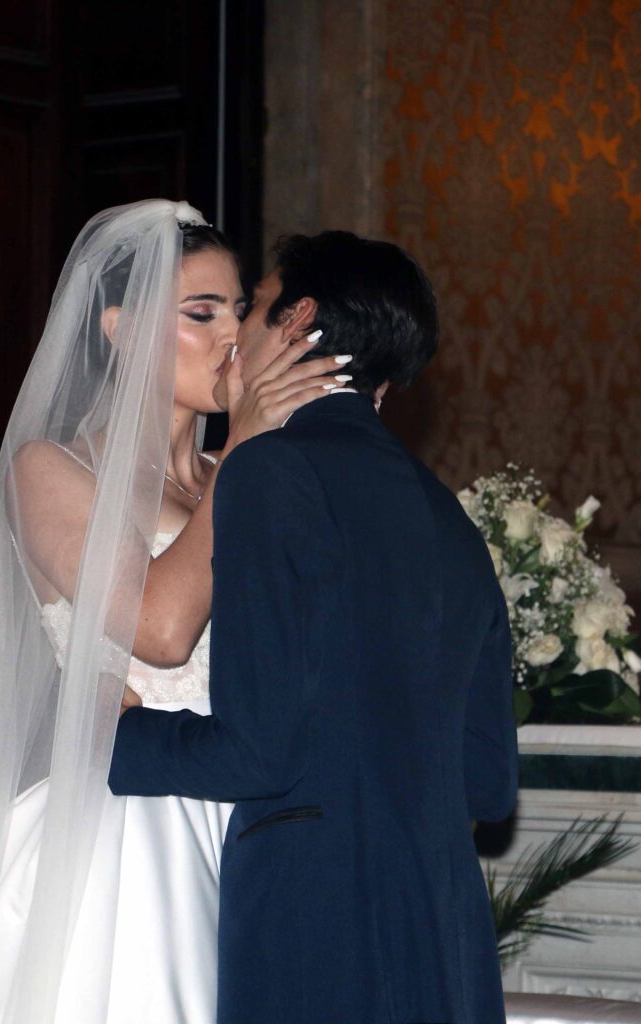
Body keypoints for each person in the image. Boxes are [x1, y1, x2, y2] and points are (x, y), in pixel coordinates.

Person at [0, 201, 351, 1024]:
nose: (232, 336)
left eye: (239, 310)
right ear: (120, 329)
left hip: (258, 815)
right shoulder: (52, 469)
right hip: (129, 831)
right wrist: (246, 448)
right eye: (200, 314)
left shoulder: (240, 473)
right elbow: (161, 631)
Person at [110, 230, 519, 1024]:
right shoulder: (450, 519)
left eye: (254, 306)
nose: (236, 334)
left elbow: (256, 748)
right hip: (443, 923)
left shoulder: (269, 469)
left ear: (295, 322)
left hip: (314, 916)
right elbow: (488, 785)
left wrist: (114, 732)